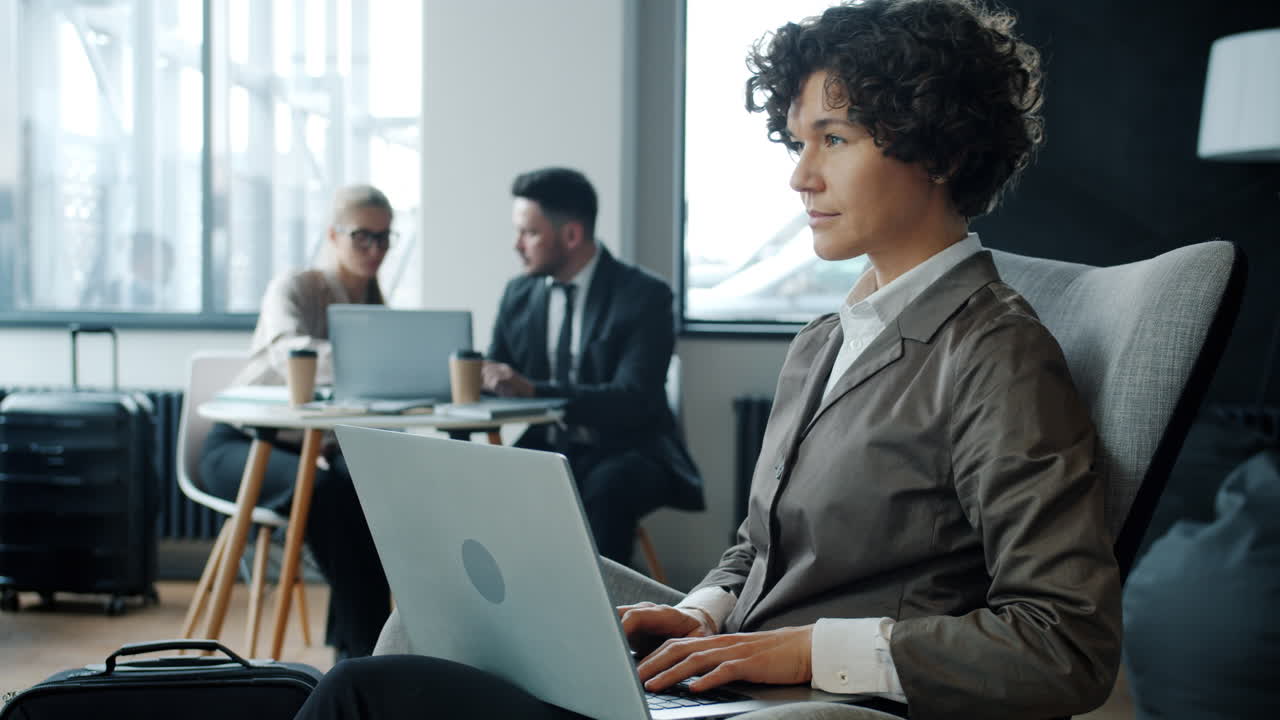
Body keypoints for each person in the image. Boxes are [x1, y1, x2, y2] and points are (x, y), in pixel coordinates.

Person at [293, 1, 1121, 718]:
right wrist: (703, 609)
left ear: (937, 150)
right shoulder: (826, 339)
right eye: (798, 142)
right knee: (398, 655)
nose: (801, 176)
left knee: (358, 697)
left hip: (814, 704)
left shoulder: (996, 355)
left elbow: (1065, 643)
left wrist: (804, 653)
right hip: (726, 670)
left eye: (833, 138)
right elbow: (756, 545)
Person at [201, 184, 395, 659]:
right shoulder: (295, 287)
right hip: (244, 447)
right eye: (362, 236)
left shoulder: (379, 311)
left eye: (385, 238)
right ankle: (362, 655)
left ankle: (357, 655)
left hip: (318, 452)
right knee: (329, 494)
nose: (375, 249)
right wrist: (371, 365)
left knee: (376, 490)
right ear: (333, 234)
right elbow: (293, 350)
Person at [482, 166, 703, 564]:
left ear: (571, 235)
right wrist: (478, 373)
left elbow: (633, 399)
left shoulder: (644, 296)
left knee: (607, 487)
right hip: (551, 443)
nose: (517, 245)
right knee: (488, 482)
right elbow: (498, 369)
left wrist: (536, 390)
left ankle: (603, 620)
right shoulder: (520, 292)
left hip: (629, 447)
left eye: (529, 233)